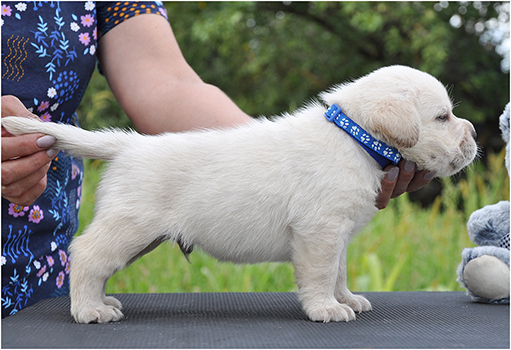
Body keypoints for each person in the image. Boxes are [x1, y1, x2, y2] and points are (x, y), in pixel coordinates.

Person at [1, 1, 432, 318]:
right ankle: (87, 285)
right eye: (443, 117)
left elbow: (167, 83)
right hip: (151, 170)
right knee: (124, 233)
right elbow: (318, 231)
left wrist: (269, 152)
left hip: (34, 279)